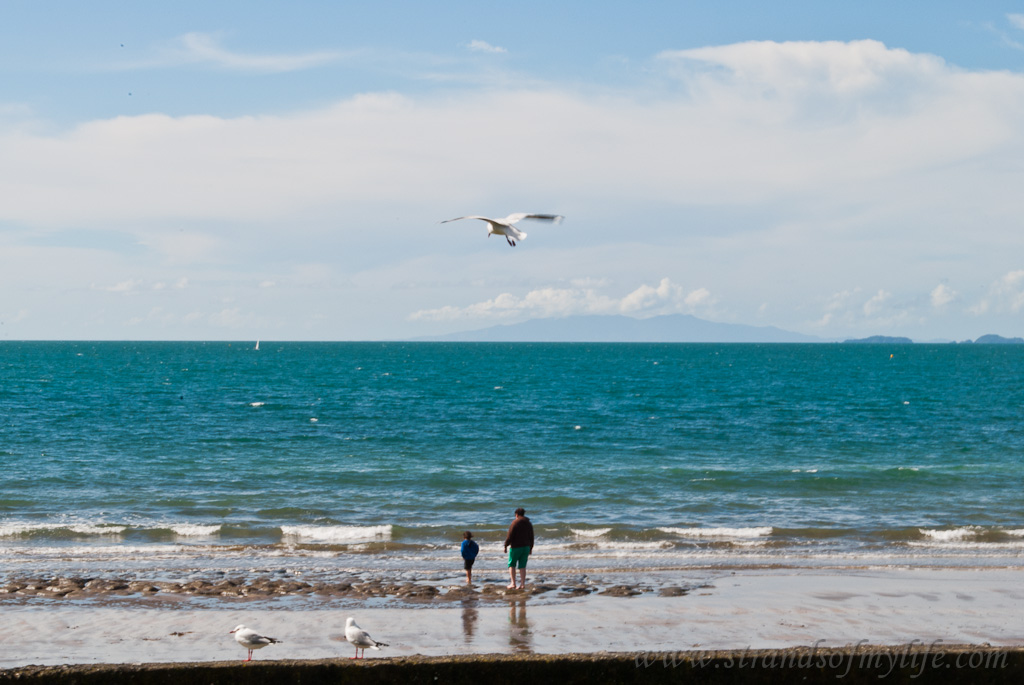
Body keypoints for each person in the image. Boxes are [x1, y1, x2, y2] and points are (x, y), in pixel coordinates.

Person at [503, 507, 534, 589]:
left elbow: (510, 536)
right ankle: (523, 584)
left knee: (511, 564)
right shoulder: (528, 523)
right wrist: (531, 548)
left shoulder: (515, 522)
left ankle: (513, 583)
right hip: (526, 547)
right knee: (522, 566)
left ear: (516, 515)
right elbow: (532, 537)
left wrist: (506, 545)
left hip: (516, 547)